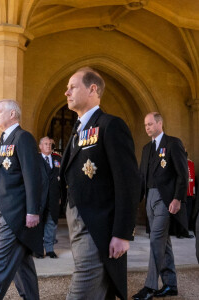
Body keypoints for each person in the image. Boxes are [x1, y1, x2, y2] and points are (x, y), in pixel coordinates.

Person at [60, 67, 140, 300]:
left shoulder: (110, 125)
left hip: (98, 225)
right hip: (77, 220)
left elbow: (128, 182)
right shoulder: (78, 129)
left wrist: (123, 233)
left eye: (72, 87)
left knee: (81, 291)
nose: (66, 92)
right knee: (100, 289)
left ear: (92, 89)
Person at [0, 99, 43, 300]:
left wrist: (33, 211)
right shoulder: (4, 140)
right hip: (3, 212)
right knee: (21, 264)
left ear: (12, 115)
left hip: (16, 214)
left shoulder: (22, 137)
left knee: (0, 262)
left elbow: (32, 176)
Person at [133, 112, 188, 300]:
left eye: (150, 124)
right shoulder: (146, 148)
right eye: (145, 125)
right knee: (164, 243)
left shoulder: (173, 143)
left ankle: (149, 287)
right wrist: (136, 201)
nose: (147, 127)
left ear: (159, 123)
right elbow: (142, 177)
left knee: (156, 240)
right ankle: (170, 285)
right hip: (150, 198)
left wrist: (177, 199)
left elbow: (183, 174)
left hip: (166, 200)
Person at [38, 136, 61, 258]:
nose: (48, 146)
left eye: (50, 144)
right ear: (40, 146)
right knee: (38, 224)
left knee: (51, 223)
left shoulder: (57, 159)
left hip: (53, 197)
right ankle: (38, 249)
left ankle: (50, 249)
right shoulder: (35, 159)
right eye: (45, 144)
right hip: (39, 198)